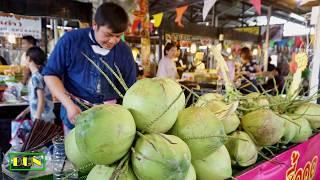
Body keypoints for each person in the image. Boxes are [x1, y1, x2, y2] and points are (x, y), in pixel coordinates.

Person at [43, 2, 137, 134]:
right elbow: (50, 74)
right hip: (75, 112)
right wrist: (69, 105)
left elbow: (131, 89)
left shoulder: (124, 52)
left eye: (118, 36)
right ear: (95, 24)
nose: (113, 41)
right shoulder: (70, 41)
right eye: (108, 35)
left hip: (111, 119)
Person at [26, 47, 55, 122]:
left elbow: (41, 100)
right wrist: (24, 113)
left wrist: (37, 119)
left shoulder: (36, 77)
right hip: (46, 117)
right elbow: (36, 100)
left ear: (28, 58)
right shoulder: (41, 75)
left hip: (42, 119)